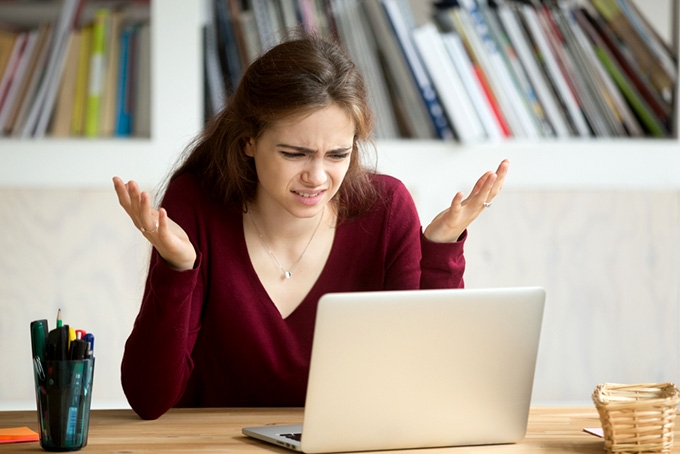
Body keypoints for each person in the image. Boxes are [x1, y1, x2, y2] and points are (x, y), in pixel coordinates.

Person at [113, 33, 509, 420]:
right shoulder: (196, 203)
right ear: (248, 140)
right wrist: (178, 268)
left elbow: (429, 390)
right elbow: (150, 398)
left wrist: (439, 252)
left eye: (338, 154)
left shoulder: (386, 209)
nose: (317, 177)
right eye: (294, 153)